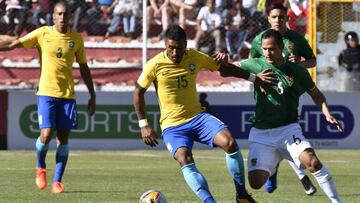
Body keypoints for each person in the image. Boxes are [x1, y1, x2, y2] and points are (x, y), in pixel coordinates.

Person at [133, 24, 276, 203]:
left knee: (229, 142)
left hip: (197, 118)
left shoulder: (195, 56)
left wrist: (254, 79)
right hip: (172, 126)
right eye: (171, 48)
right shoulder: (154, 64)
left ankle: (242, 196)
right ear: (165, 45)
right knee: (184, 158)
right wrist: (144, 125)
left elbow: (224, 69)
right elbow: (138, 92)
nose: (175, 52)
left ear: (186, 44)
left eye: (178, 48)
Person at [221, 29, 342, 203]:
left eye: (272, 49)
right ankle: (274, 163)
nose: (267, 53)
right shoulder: (255, 64)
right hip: (262, 132)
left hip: (288, 130)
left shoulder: (297, 71)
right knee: (255, 183)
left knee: (313, 162)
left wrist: (327, 113)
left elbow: (316, 94)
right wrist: (248, 74)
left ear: (281, 47)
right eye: (264, 49)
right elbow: (225, 71)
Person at [0, 1, 96, 194]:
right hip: (46, 92)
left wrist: (92, 94)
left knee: (63, 138)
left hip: (67, 95)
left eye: (66, 14)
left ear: (70, 16)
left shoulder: (76, 39)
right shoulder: (43, 33)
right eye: (59, 14)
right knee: (46, 134)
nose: (62, 17)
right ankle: (40, 168)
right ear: (53, 16)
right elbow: (15, 43)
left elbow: (84, 67)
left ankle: (57, 182)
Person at [249, 3, 317, 195]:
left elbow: (313, 60)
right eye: (274, 17)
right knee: (280, 134)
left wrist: (301, 64)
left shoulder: (296, 39)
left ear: (287, 18)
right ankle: (300, 177)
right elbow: (251, 64)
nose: (278, 20)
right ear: (268, 19)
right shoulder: (258, 40)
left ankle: (284, 173)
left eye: (281, 16)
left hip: (291, 92)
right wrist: (257, 81)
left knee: (286, 133)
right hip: (268, 94)